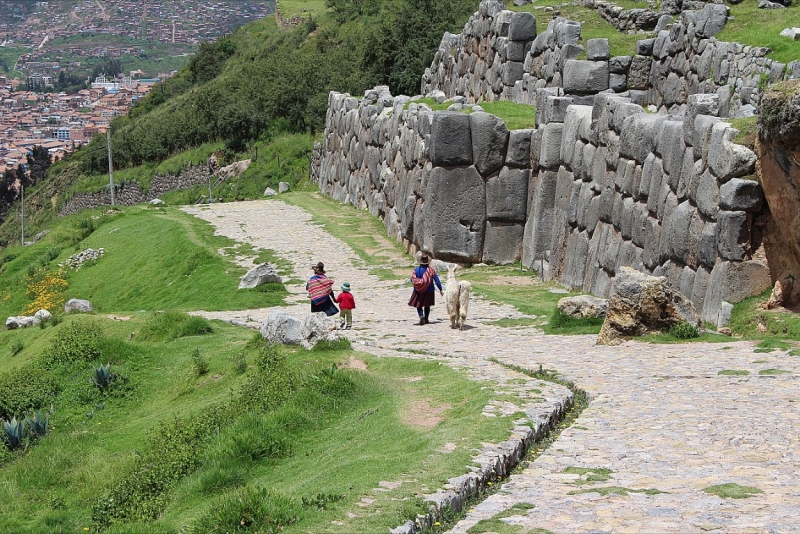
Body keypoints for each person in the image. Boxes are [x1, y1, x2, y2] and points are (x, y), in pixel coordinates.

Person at [407, 254, 443, 325]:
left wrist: (419, 284)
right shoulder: (431, 271)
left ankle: (421, 315)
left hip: (418, 291)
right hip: (429, 290)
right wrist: (440, 289)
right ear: (428, 262)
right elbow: (437, 281)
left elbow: (412, 279)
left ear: (420, 261)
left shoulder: (416, 270)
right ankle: (426, 319)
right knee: (427, 305)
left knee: (419, 305)